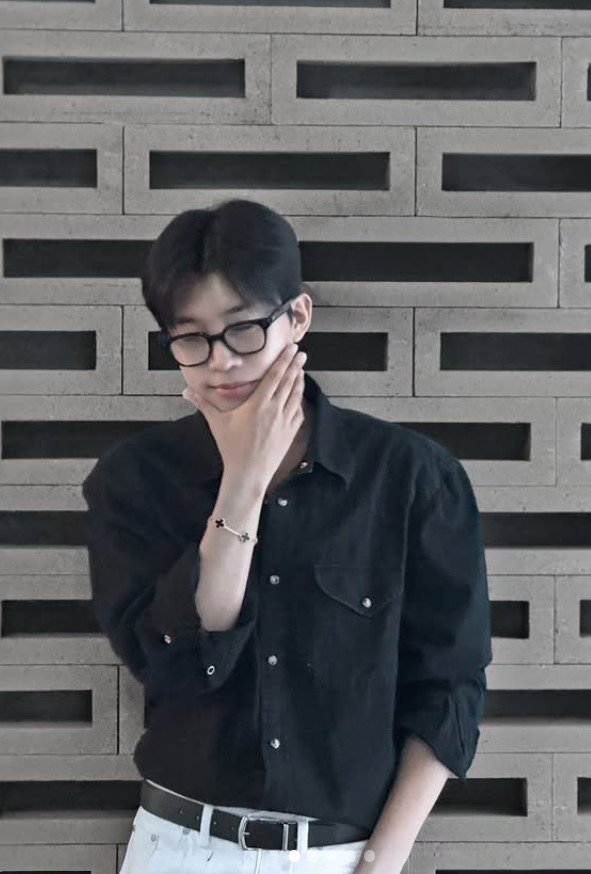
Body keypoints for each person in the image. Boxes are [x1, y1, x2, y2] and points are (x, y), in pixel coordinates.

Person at [81, 198, 493, 874]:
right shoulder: (135, 480)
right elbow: (182, 664)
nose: (220, 362)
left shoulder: (411, 478)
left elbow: (450, 686)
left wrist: (382, 860)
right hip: (180, 846)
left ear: (297, 317)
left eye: (243, 329)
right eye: (190, 338)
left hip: (342, 855)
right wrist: (242, 481)